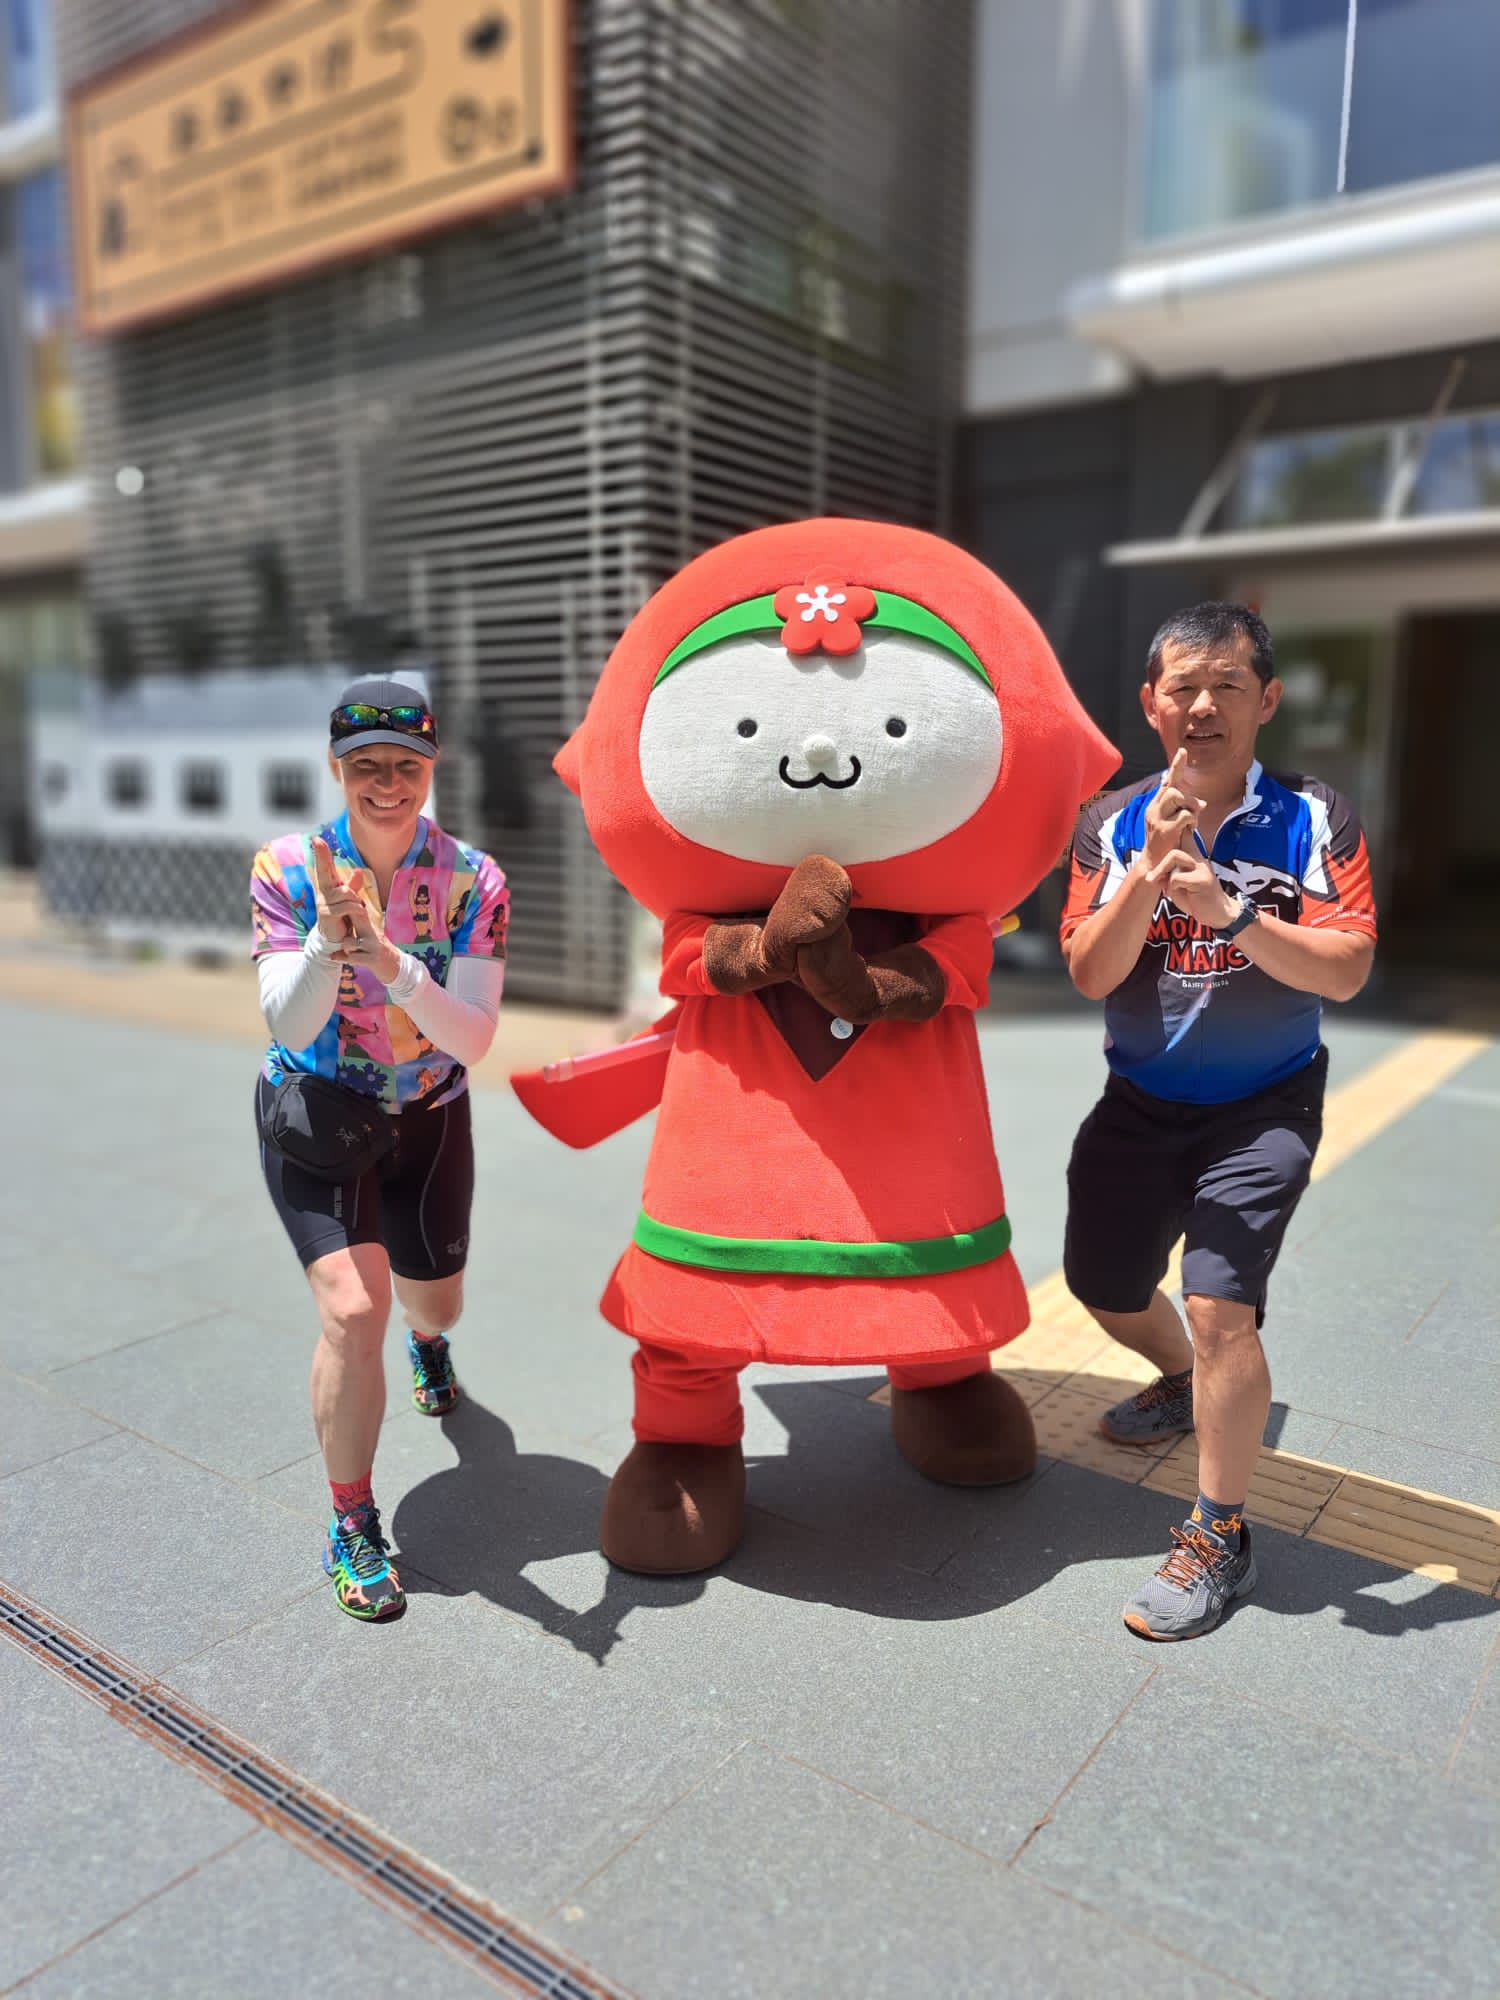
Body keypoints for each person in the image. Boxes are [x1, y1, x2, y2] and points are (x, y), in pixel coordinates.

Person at [1059, 603, 1376, 1640]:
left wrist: (1234, 914)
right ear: (1151, 702)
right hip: (1140, 1100)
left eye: (1227, 686)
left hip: (1265, 1104)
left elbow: (1351, 965)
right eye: (1182, 686)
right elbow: (1090, 968)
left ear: (1266, 701)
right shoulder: (1110, 819)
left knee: (1220, 1306)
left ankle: (1218, 1529)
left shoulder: (1312, 814)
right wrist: (1151, 879)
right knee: (1100, 1281)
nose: (1203, 705)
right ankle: (1182, 1380)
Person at [250, 678, 509, 1623]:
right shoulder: (286, 866)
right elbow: (286, 1013)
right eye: (366, 767)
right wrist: (330, 938)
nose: (387, 784)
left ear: (432, 768)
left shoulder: (475, 881)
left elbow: (474, 1040)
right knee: (353, 1312)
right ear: (337, 769)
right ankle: (350, 1522)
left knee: (433, 1297)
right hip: (319, 1111)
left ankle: (429, 1342)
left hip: (431, 1112)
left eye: (407, 765)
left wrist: (393, 961)